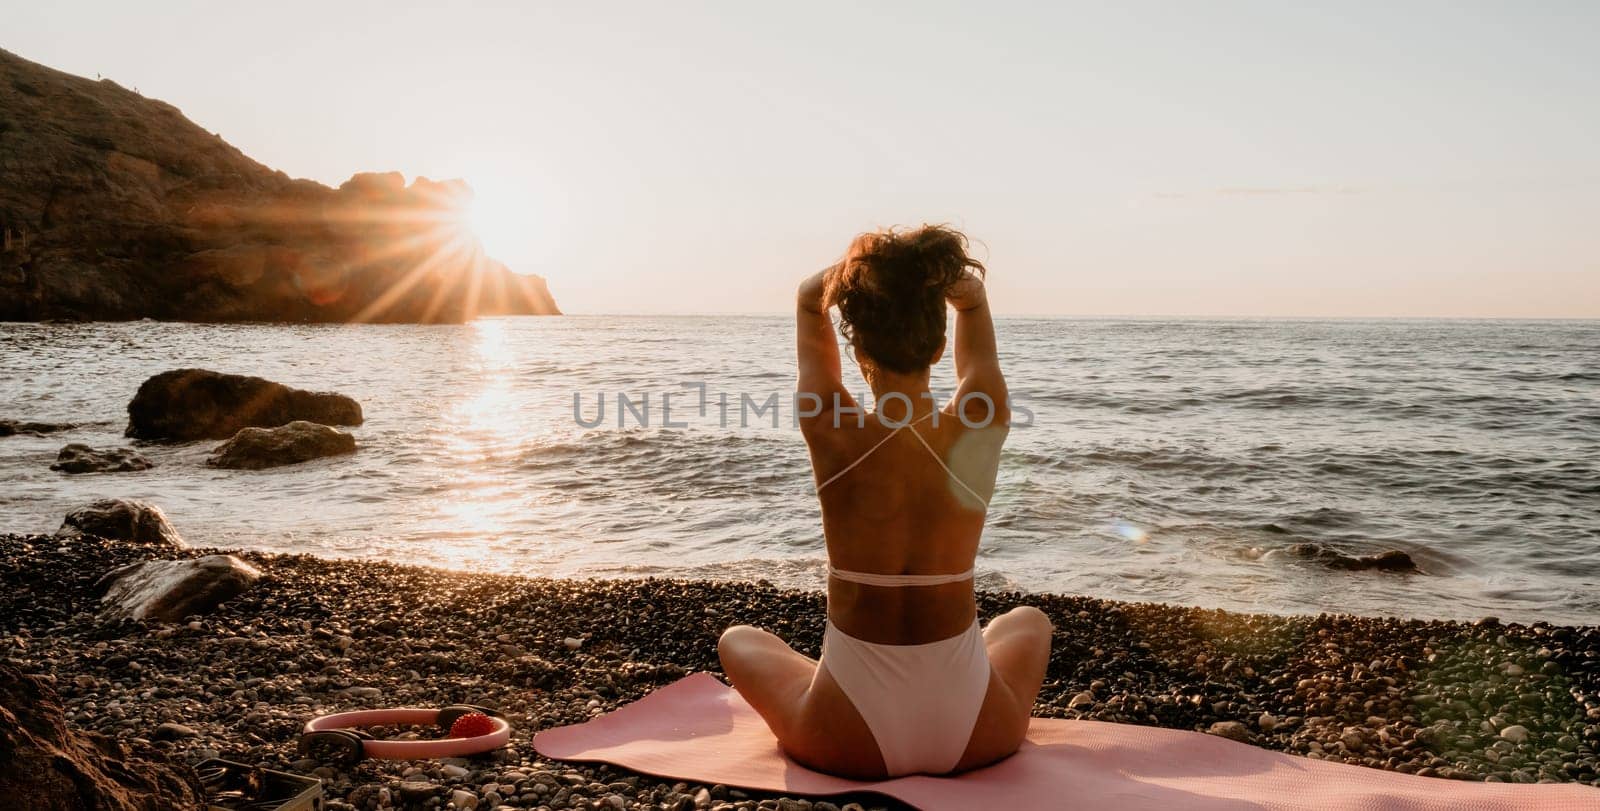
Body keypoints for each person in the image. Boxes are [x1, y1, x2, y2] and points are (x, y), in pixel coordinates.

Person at [717, 225, 1053, 779]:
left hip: (846, 739)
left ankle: (826, 675)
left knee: (739, 639)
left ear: (858, 348)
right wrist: (970, 299)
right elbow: (979, 356)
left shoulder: (832, 430)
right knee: (1028, 621)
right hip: (976, 733)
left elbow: (808, 304)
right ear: (939, 347)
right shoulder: (982, 421)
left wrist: (837, 285)